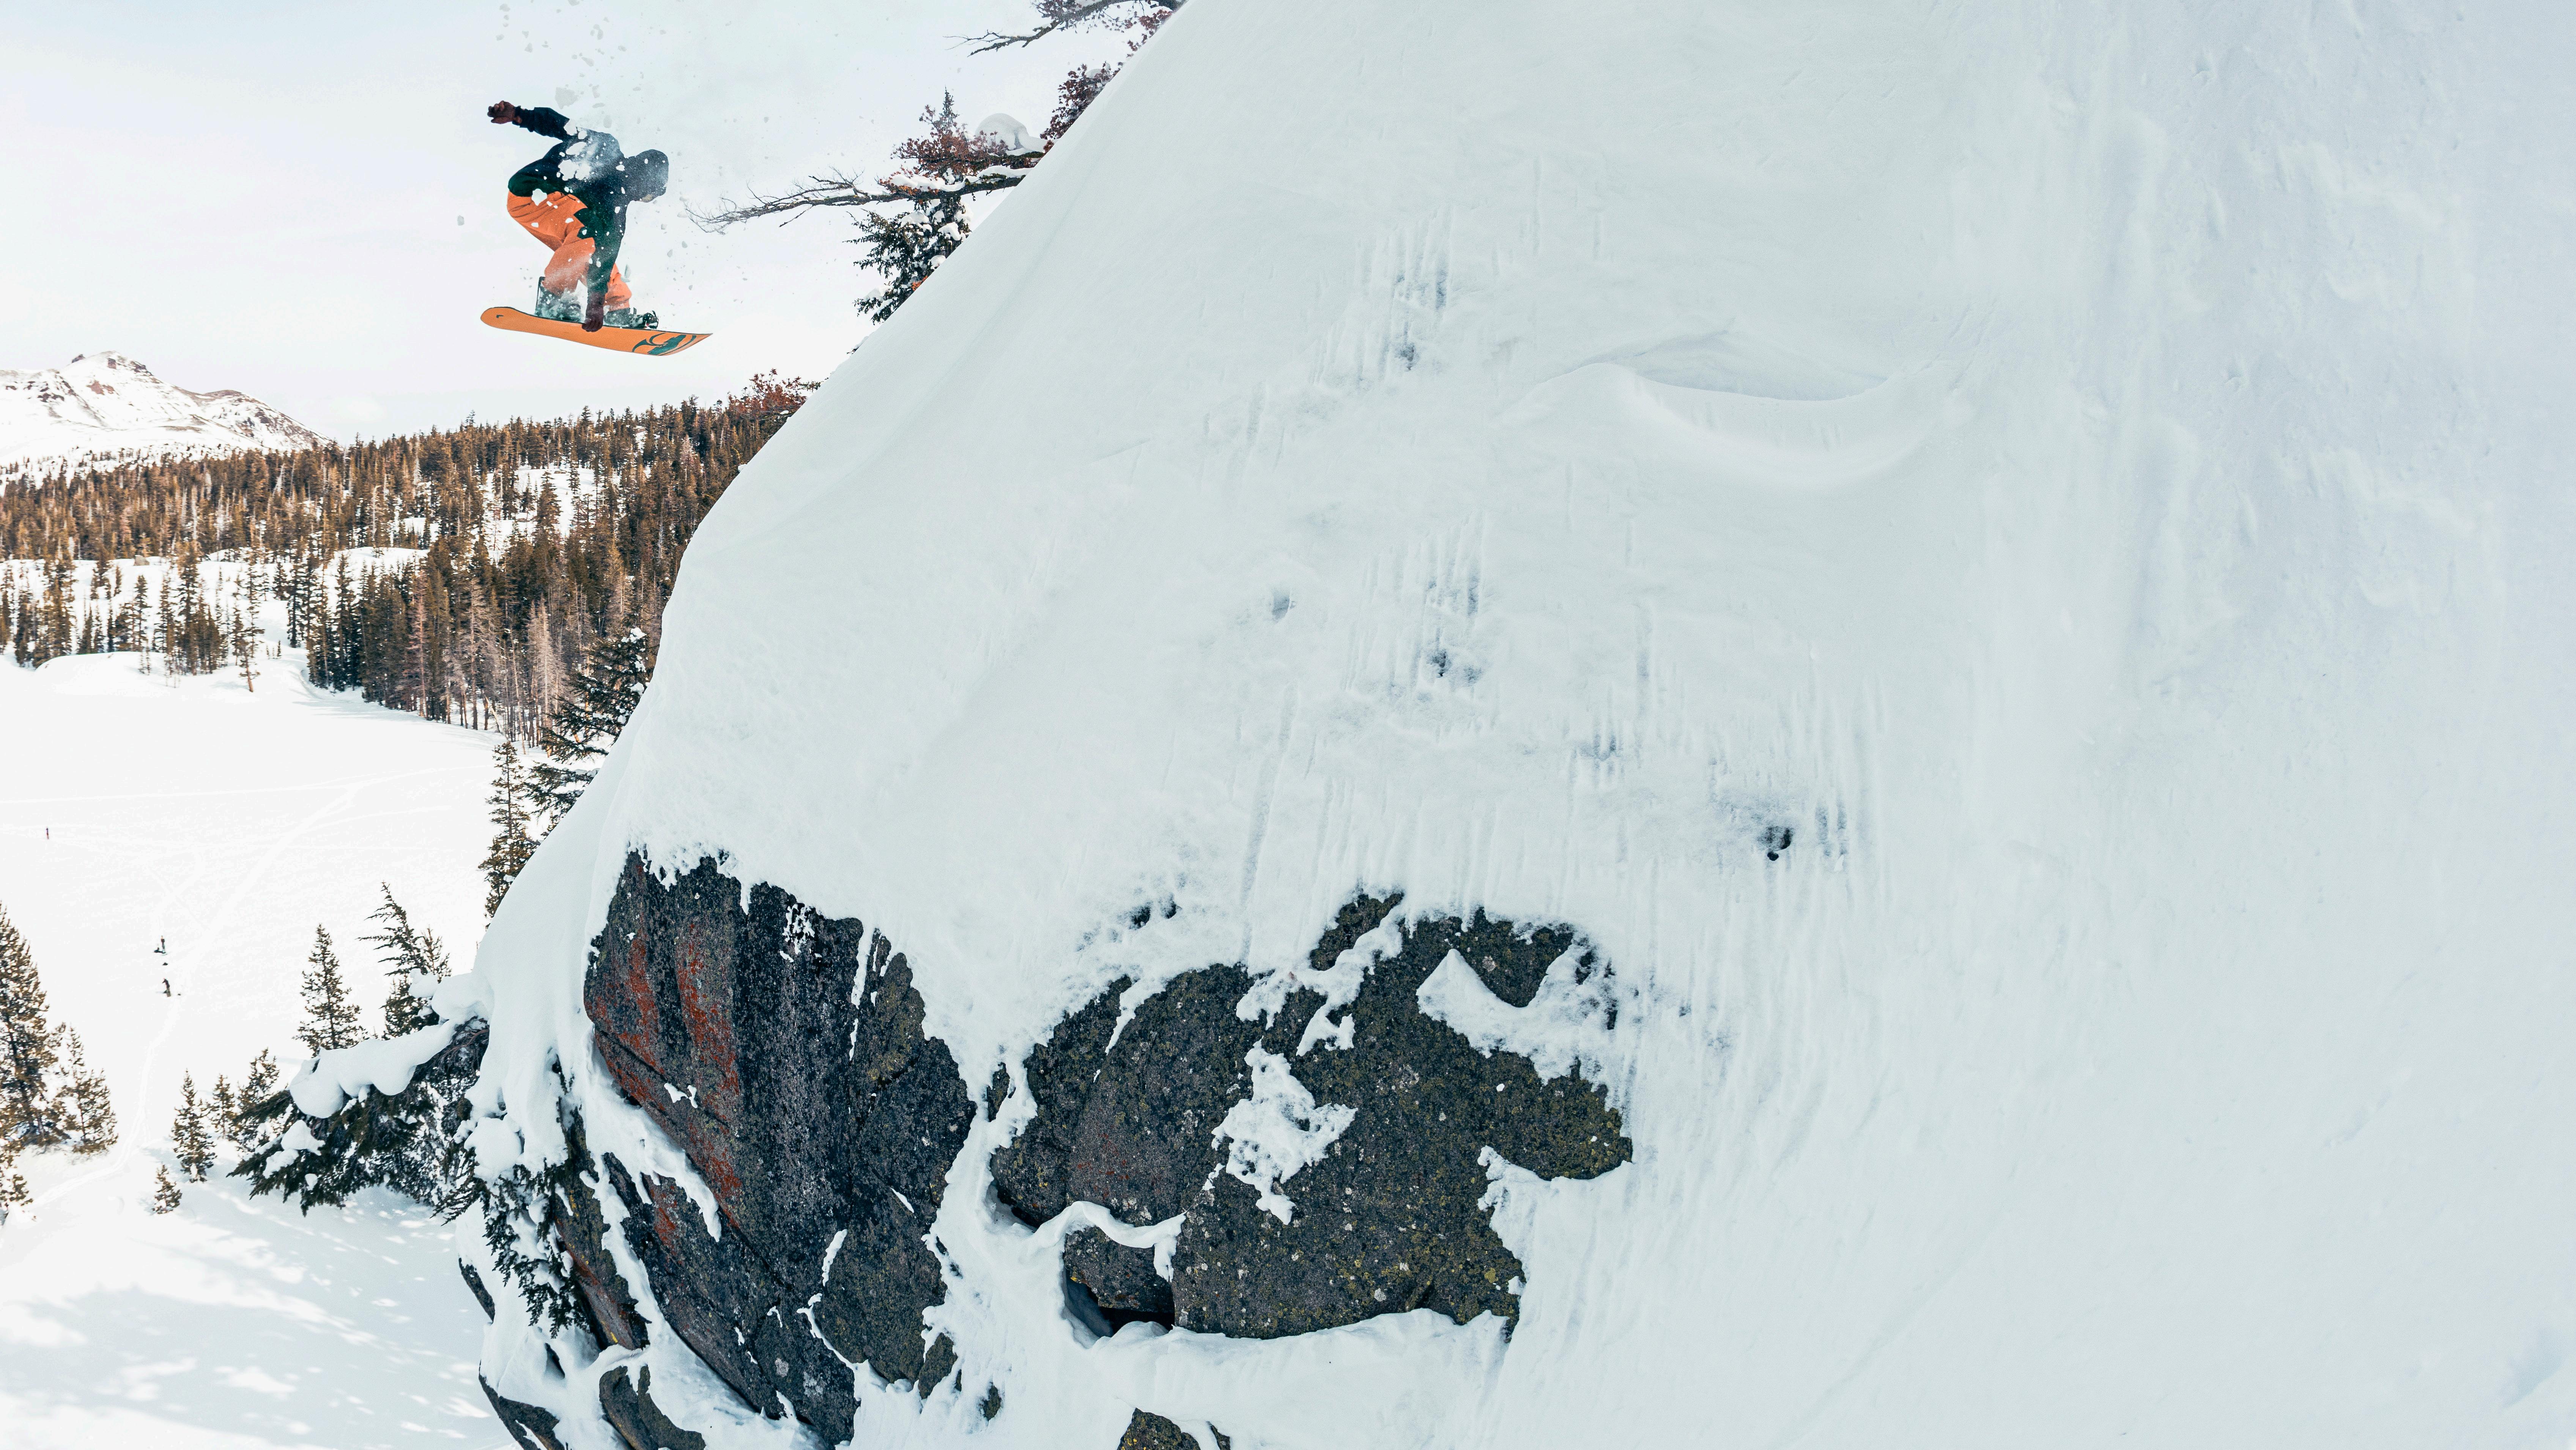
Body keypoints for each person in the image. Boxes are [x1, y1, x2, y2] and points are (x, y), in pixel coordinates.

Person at [487, 102, 668, 331]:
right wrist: (595, 304)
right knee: (591, 241)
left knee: (592, 243)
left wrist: (519, 115)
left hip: (544, 198)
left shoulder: (607, 145)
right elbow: (606, 248)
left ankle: (618, 308)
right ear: (644, 184)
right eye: (646, 197)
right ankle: (554, 299)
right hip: (534, 198)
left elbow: (561, 126)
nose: (640, 200)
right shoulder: (614, 201)